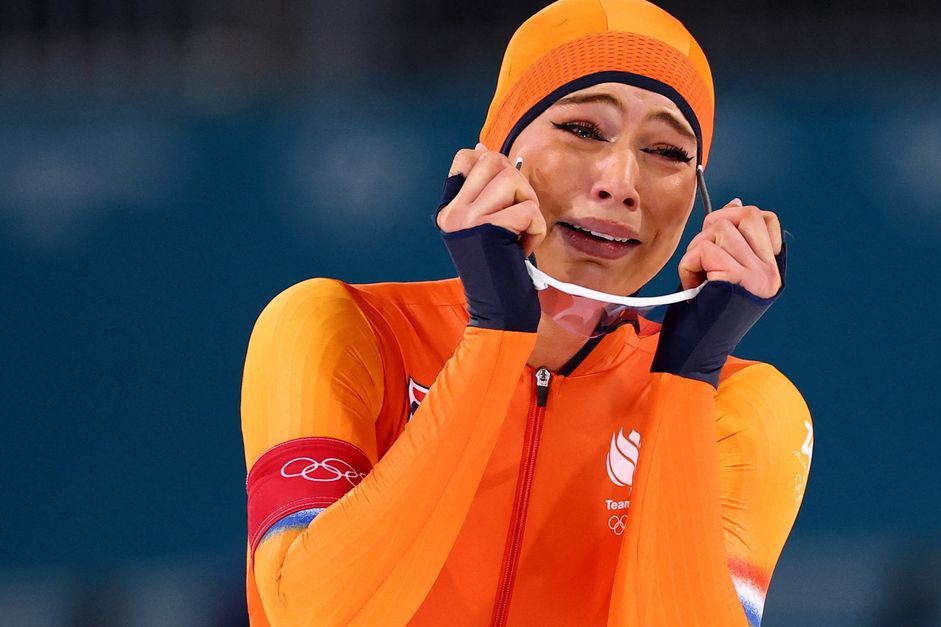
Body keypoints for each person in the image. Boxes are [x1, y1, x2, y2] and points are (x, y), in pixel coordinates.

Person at [240, 0, 813, 625]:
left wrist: (684, 381)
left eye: (668, 152)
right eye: (583, 130)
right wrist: (495, 339)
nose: (620, 181)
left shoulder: (742, 405)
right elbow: (315, 614)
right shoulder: (342, 330)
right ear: (494, 155)